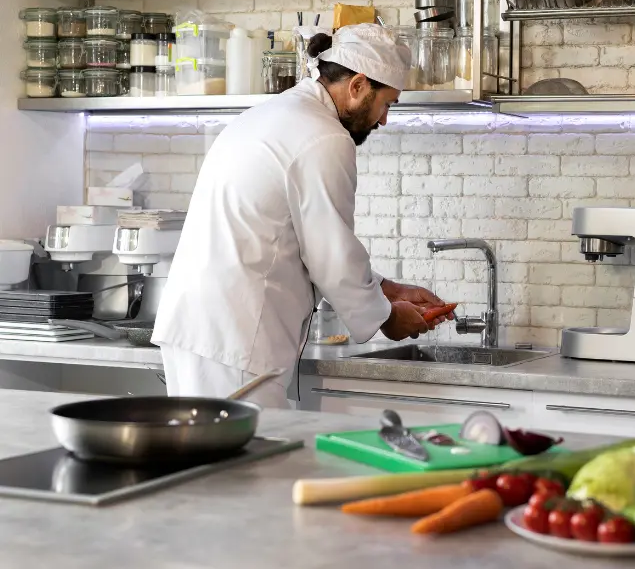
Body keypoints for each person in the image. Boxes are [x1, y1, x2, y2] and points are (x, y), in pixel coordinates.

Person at [152, 24, 452, 408]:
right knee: (249, 465)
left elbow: (305, 240)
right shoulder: (324, 137)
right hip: (237, 342)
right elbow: (331, 258)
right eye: (387, 103)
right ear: (358, 85)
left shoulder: (275, 114)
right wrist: (389, 319)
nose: (383, 121)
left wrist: (386, 289)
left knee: (211, 461)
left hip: (202, 332)